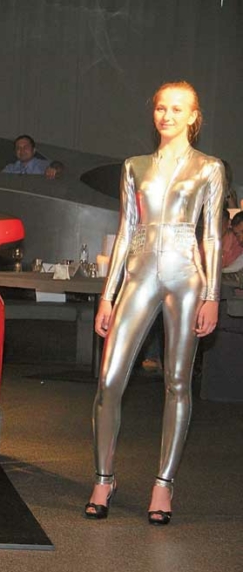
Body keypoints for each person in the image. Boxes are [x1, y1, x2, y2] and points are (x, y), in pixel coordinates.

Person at [86, 81, 224, 525]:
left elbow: (212, 236)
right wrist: (107, 296)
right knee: (109, 380)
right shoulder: (135, 166)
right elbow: (126, 231)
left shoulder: (209, 168)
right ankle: (103, 478)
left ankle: (163, 484)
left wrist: (212, 295)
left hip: (186, 279)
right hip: (139, 275)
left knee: (177, 382)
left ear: (193, 117)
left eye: (177, 109)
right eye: (162, 107)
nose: (167, 115)